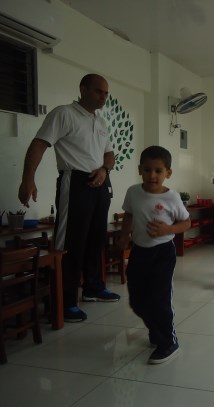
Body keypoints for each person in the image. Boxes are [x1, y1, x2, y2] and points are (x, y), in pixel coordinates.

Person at [18, 73, 120, 323]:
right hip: (75, 182)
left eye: (106, 93)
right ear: (83, 89)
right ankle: (65, 301)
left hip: (101, 182)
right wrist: (28, 179)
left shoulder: (101, 121)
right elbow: (39, 144)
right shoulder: (64, 114)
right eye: (99, 91)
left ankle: (93, 287)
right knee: (71, 242)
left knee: (96, 238)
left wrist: (104, 170)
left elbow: (109, 155)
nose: (103, 97)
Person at [117, 146, 190, 364]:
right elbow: (129, 215)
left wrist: (169, 229)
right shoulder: (133, 192)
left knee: (160, 298)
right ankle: (156, 330)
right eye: (147, 170)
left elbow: (186, 222)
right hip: (139, 251)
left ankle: (168, 341)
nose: (152, 175)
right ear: (140, 169)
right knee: (137, 300)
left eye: (158, 171)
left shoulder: (172, 197)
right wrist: (123, 237)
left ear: (168, 172)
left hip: (163, 253)